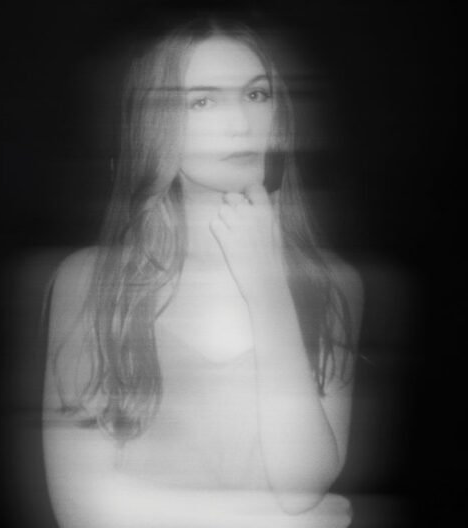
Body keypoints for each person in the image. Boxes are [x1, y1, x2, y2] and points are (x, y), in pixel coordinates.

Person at [42, 14, 363, 528]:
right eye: (203, 101)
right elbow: (81, 510)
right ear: (155, 122)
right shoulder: (92, 282)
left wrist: (268, 291)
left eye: (256, 94)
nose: (241, 123)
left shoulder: (332, 286)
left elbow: (301, 488)